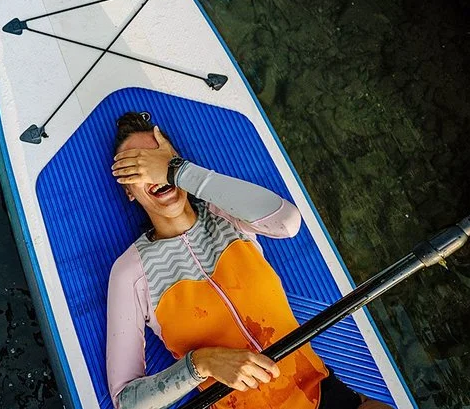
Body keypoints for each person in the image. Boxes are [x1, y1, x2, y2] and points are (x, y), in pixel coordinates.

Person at [106, 112, 391, 409]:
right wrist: (202, 363)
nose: (153, 171)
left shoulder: (227, 216)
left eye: (159, 159)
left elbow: (287, 221)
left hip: (320, 392)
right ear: (128, 191)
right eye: (135, 168)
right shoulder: (131, 272)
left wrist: (176, 170)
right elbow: (127, 401)